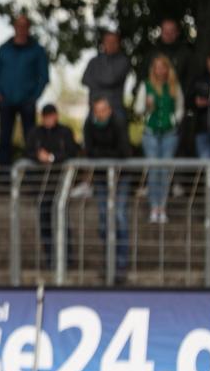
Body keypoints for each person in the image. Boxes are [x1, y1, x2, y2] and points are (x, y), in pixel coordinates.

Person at [24, 104, 79, 266]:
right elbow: (27, 152)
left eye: (50, 116)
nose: (48, 120)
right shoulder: (35, 133)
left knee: (62, 223)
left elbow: (72, 151)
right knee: (45, 224)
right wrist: (38, 156)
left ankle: (67, 260)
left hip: (60, 185)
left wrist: (52, 157)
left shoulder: (65, 132)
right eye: (45, 116)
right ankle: (51, 260)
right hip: (42, 187)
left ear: (56, 116)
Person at [84, 98, 132, 282]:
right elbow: (89, 152)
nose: (101, 113)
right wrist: (105, 157)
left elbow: (124, 152)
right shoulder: (89, 125)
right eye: (98, 110)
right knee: (104, 219)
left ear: (110, 109)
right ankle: (108, 260)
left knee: (119, 216)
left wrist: (102, 156)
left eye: (104, 109)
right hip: (102, 178)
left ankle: (121, 262)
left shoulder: (118, 123)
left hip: (121, 177)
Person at [0, 14, 50, 166]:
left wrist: (34, 97)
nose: (21, 29)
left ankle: (31, 177)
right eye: (18, 25)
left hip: (27, 102)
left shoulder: (37, 50)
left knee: (31, 139)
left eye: (24, 26)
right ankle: (3, 177)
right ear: (14, 27)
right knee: (4, 139)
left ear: (29, 28)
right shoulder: (3, 49)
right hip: (6, 101)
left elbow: (44, 76)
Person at [134, 55, 184, 224]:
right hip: (151, 133)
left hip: (169, 134)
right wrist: (147, 107)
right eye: (157, 67)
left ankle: (162, 207)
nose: (160, 70)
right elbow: (138, 109)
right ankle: (154, 207)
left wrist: (173, 120)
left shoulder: (174, 86)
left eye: (163, 67)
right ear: (153, 69)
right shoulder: (145, 85)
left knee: (165, 171)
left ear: (168, 69)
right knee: (153, 170)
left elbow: (180, 109)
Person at [147, 19, 194, 159]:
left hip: (176, 113)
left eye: (171, 30)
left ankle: (177, 180)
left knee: (177, 148)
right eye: (165, 30)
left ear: (177, 33)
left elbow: (190, 81)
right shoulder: (152, 53)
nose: (167, 34)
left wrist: (178, 107)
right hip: (153, 117)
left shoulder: (186, 54)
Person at [82, 30, 130, 121]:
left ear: (118, 43)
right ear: (103, 43)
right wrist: (104, 81)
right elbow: (85, 80)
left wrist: (96, 78)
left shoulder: (123, 61)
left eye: (113, 41)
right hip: (95, 109)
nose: (110, 44)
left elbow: (110, 80)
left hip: (115, 109)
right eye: (108, 41)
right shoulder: (94, 61)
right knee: (87, 130)